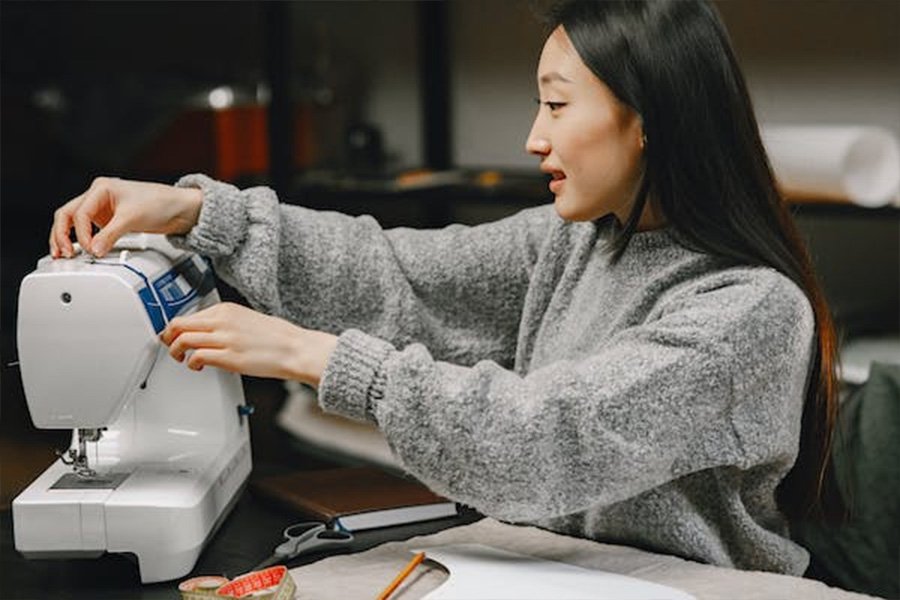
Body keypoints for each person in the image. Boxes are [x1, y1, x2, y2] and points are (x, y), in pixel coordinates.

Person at [48, 0, 842, 576]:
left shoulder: (751, 312)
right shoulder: (572, 243)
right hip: (569, 572)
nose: (535, 137)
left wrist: (316, 357)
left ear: (649, 122)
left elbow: (547, 440)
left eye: (558, 104)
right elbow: (399, 276)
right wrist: (200, 211)